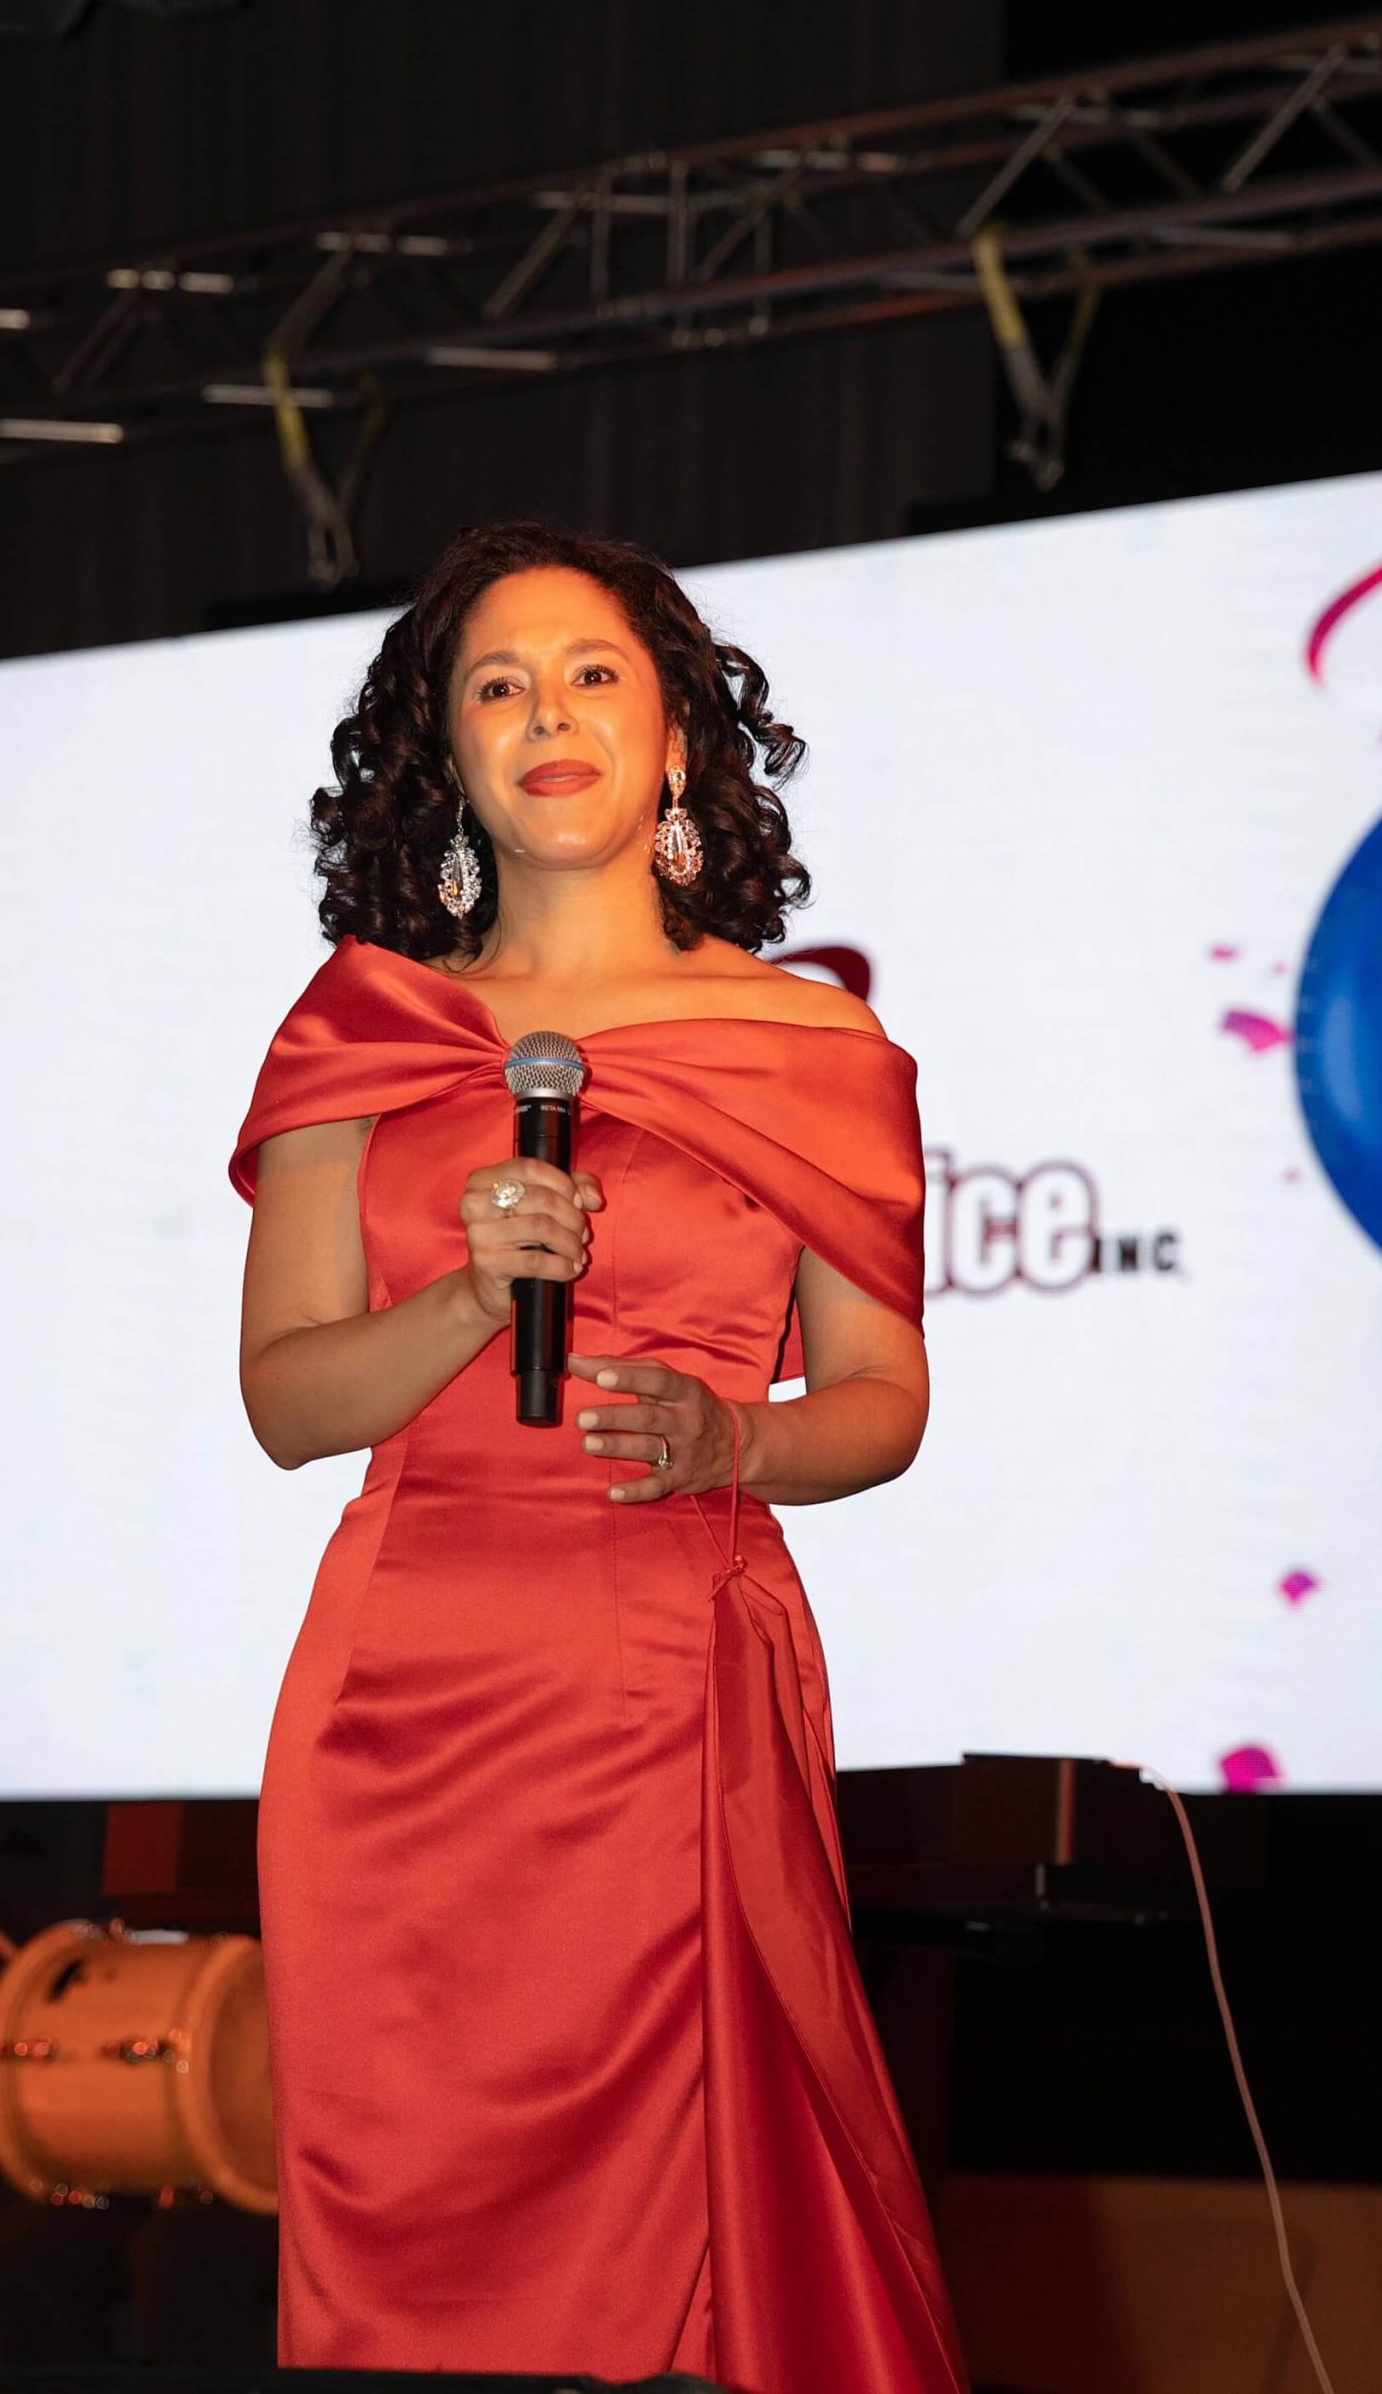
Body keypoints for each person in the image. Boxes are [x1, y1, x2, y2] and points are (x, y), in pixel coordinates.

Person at [228, 520, 967, 2394]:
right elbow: (288, 1404)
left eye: (591, 676)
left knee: (692, 2238)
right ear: (449, 755)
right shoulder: (361, 1026)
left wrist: (739, 1437)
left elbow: (883, 1399)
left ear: (676, 740)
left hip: (670, 1681)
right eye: (497, 686)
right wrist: (471, 1301)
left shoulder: (811, 1048)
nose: (546, 715)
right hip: (400, 1712)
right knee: (408, 2247)